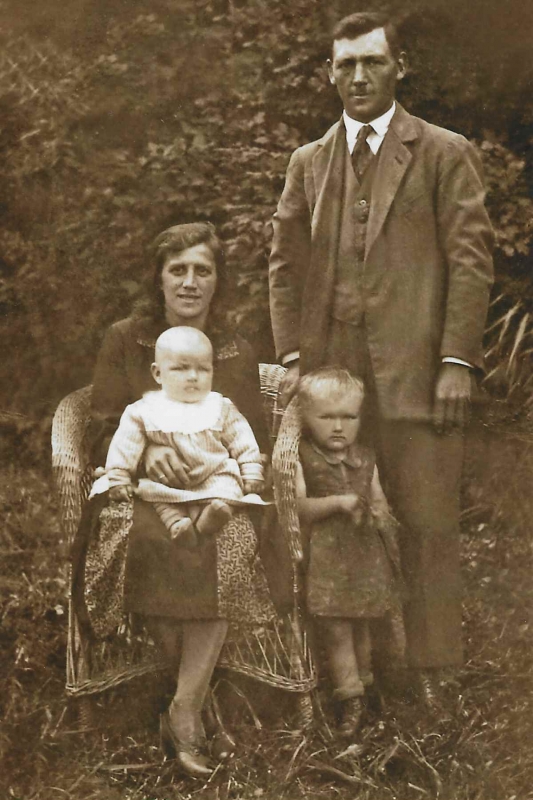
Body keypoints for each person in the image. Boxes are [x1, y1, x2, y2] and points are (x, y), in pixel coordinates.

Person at [269, 12, 494, 714]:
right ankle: (348, 674)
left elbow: (470, 261)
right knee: (336, 523)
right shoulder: (309, 161)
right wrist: (294, 357)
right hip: (332, 383)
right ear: (329, 74)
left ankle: (432, 671)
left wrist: (457, 360)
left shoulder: (442, 152)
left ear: (399, 67)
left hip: (421, 375)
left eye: (371, 62)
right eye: (346, 64)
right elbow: (284, 263)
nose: (359, 76)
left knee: (427, 523)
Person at [76, 222, 276, 777]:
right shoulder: (126, 338)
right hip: (146, 493)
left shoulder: (234, 348)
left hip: (214, 492)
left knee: (226, 540)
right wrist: (148, 453)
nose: (190, 282)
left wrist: (229, 471)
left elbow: (251, 433)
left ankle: (184, 707)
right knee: (148, 542)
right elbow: (100, 424)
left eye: (202, 270)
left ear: (217, 280)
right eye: (177, 270)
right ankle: (197, 698)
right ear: (159, 278)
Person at [295, 367, 400, 736]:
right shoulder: (302, 458)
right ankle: (349, 697)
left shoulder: (366, 458)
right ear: (306, 418)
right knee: (337, 629)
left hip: (364, 555)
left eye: (349, 417)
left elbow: (378, 499)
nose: (338, 427)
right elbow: (298, 508)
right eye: (326, 417)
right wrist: (339, 503)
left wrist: (380, 514)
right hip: (327, 558)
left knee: (364, 625)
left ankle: (367, 688)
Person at [99, 326, 266, 547]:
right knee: (155, 494)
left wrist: (251, 471)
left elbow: (242, 440)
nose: (193, 377)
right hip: (167, 482)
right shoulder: (144, 410)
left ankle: (207, 518)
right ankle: (177, 523)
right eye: (181, 368)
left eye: (203, 369)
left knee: (229, 486)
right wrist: (119, 475)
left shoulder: (220, 406)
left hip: (213, 474)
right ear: (158, 373)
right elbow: (125, 444)